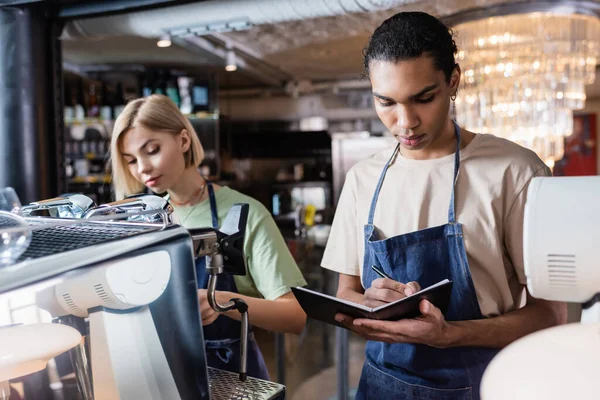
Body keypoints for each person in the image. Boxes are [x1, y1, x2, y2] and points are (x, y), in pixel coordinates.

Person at [320, 11, 567, 399]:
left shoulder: (515, 171)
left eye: (424, 98)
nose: (405, 122)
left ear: (453, 81)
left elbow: (551, 314)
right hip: (380, 384)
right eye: (386, 102)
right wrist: (369, 305)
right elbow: (346, 292)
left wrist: (449, 335)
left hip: (481, 383)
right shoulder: (362, 178)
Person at [110, 94, 307, 380]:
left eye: (152, 150)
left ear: (184, 141)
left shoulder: (244, 214)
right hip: (163, 375)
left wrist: (222, 301)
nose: (142, 169)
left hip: (233, 377)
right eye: (131, 161)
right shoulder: (142, 220)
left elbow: (295, 316)